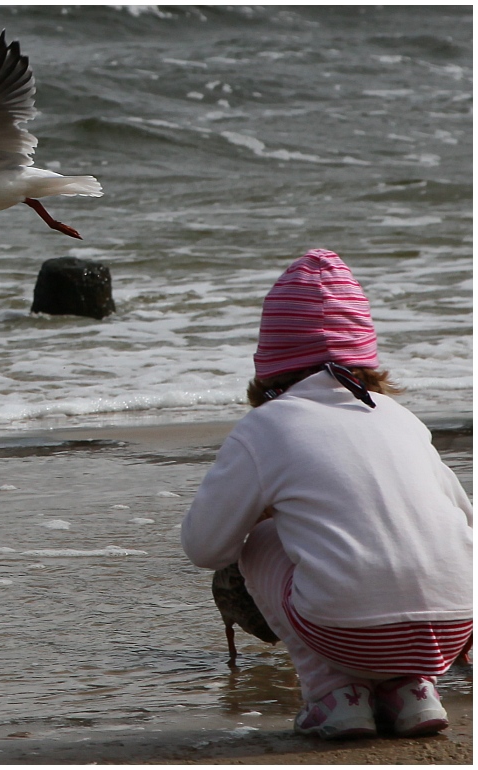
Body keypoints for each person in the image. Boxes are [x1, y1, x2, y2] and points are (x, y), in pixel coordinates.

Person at [181, 249, 473, 740]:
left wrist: (269, 514)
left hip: (349, 632)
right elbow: (465, 521)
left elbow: (204, 547)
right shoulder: (399, 418)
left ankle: (334, 695)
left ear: (270, 358)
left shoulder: (266, 426)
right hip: (451, 628)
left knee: (260, 542)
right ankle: (414, 691)